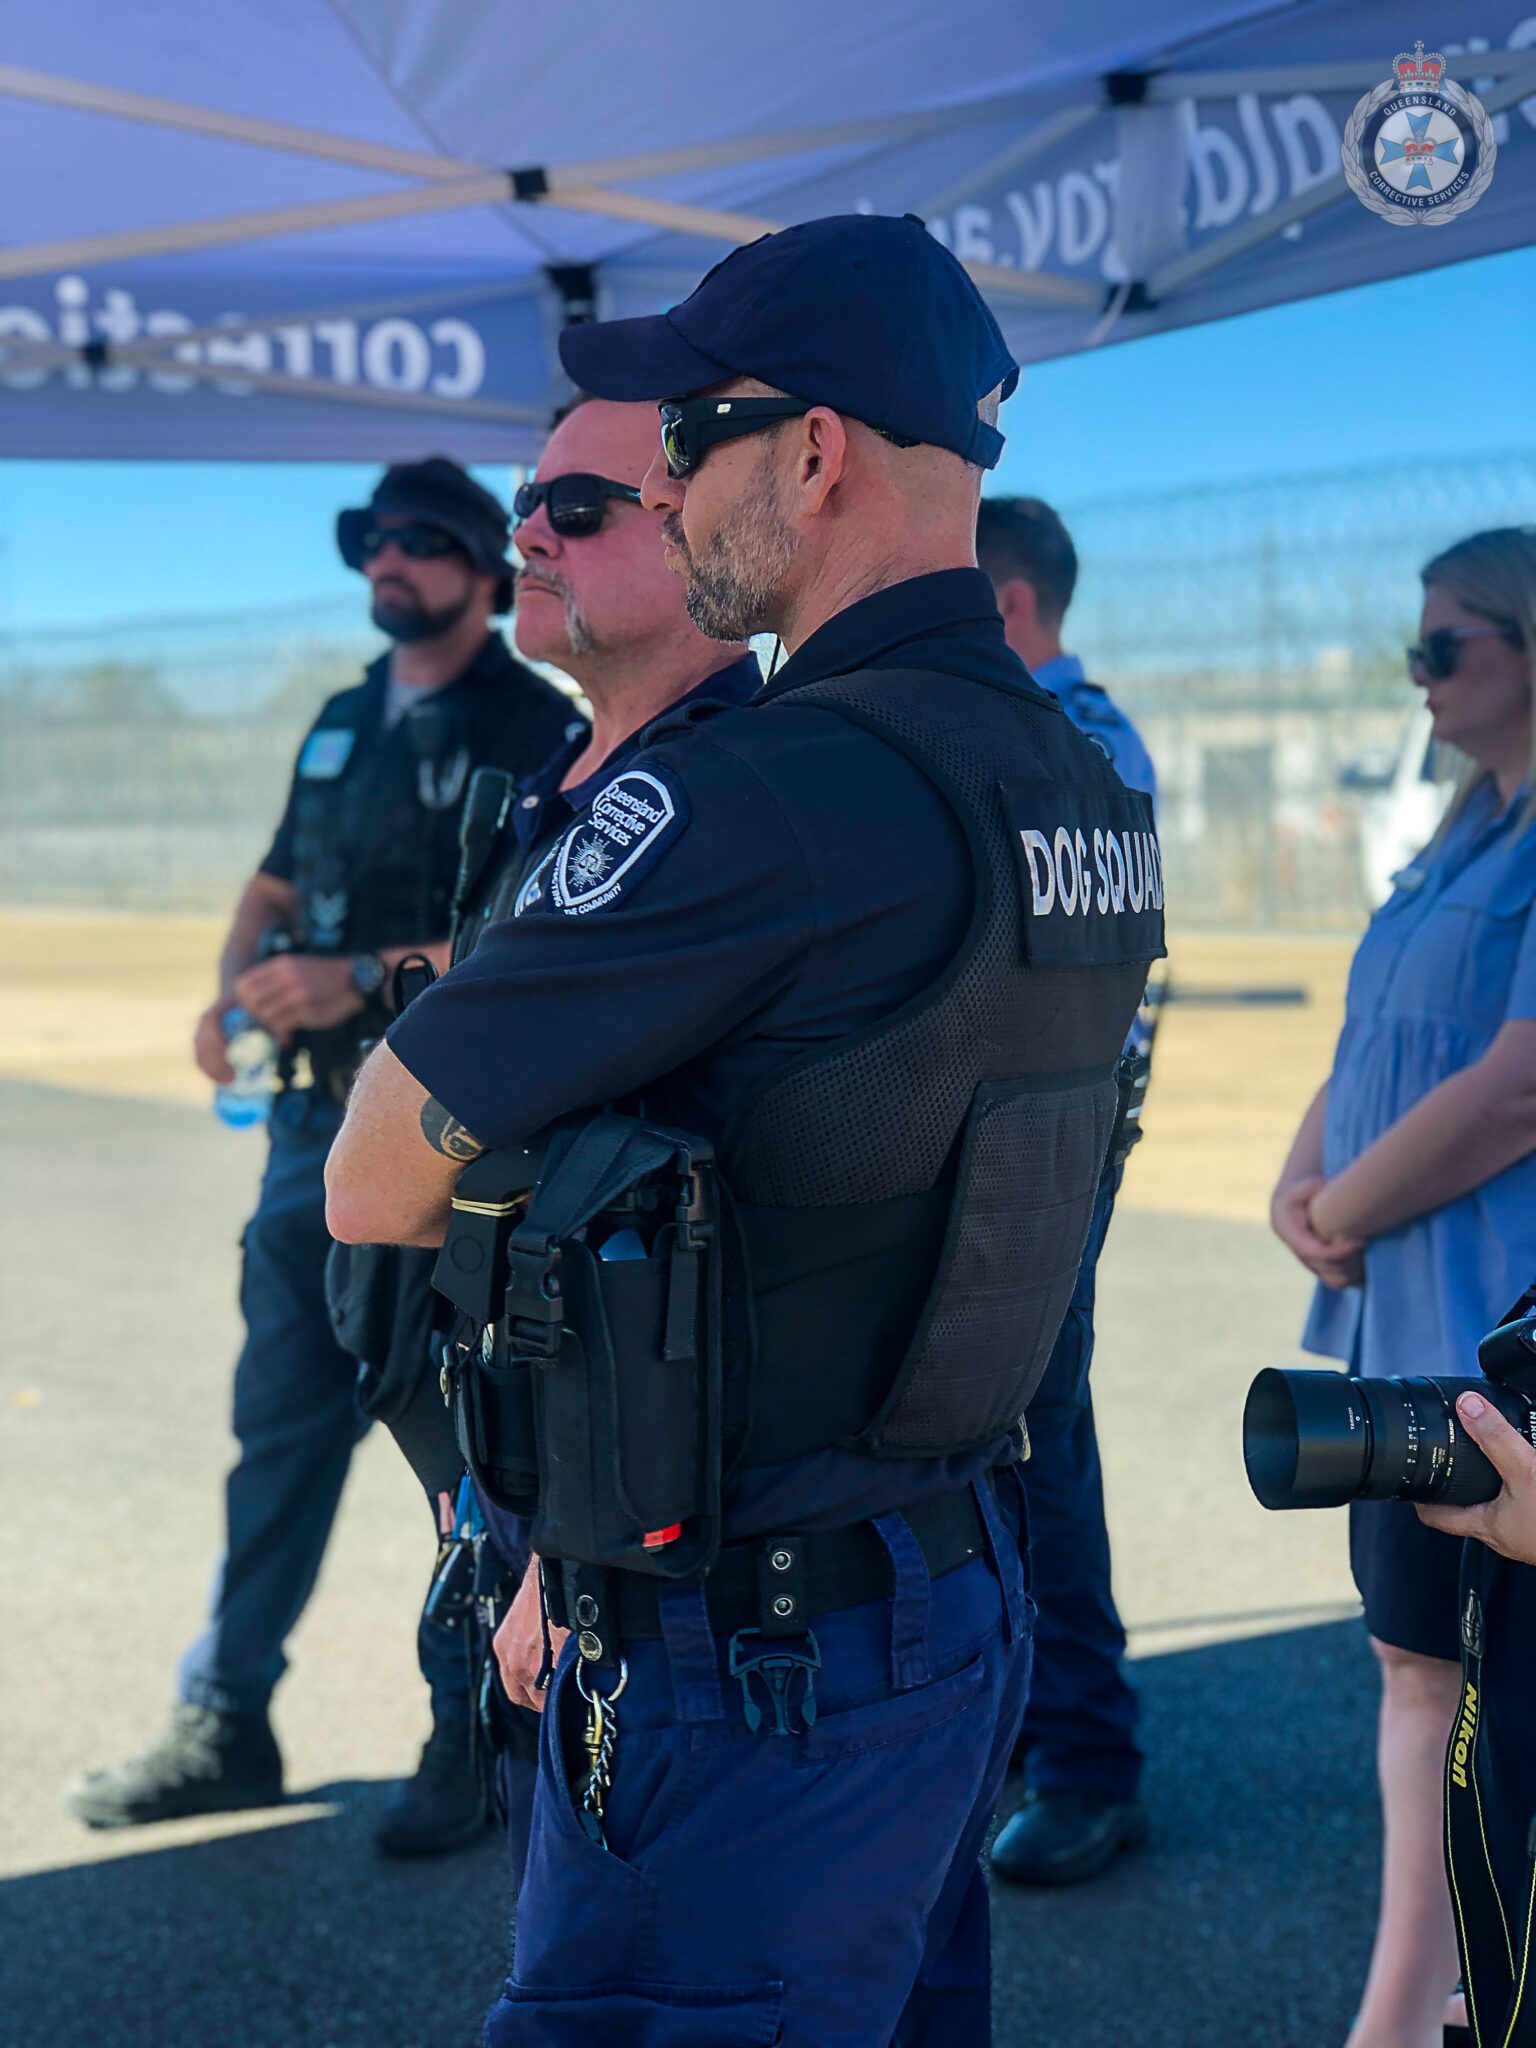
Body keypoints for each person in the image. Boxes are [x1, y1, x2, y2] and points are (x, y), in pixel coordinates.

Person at [325, 212, 1163, 2048]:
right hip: (947, 1594)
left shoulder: (774, 793)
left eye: (690, 439)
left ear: (815, 449)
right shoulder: (1077, 779)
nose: (677, 485)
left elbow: (375, 1173)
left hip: (747, 1648)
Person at [64, 459, 579, 1854]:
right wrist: (235, 982)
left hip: (451, 1155)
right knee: (275, 1436)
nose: (387, 567)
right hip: (307, 1141)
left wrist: (358, 975)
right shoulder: (346, 719)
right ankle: (228, 1717)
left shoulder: (540, 726)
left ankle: (472, 1730)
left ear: (484, 570)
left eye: (420, 545)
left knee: (464, 1453)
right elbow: (275, 878)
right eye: (373, 545)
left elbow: (536, 945)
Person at [330, 394, 763, 1857]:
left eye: (575, 512)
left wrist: (572, 1557)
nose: (527, 532)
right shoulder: (551, 796)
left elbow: (684, 1212)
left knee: (613, 1964)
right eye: (530, 501)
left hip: (618, 1514)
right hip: (506, 1444)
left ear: (698, 530)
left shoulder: (721, 803)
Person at [1269, 526, 1536, 2048]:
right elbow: (1371, 1023)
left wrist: (1343, 1205)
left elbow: (1517, 1087)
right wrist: (1302, 1185)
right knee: (1417, 1666)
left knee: (1499, 1696)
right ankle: (1403, 2013)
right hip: (1403, 1337)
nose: (1417, 674)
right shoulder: (1458, 829)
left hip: (1500, 1348)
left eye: (1445, 648)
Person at [977, 495, 1155, 1886]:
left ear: (1007, 606)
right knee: (1019, 1446)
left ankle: (1086, 1763)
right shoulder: (1080, 734)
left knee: (1036, 1451)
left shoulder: (1059, 746)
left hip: (1038, 1157)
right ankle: (1040, 1742)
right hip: (1036, 1148)